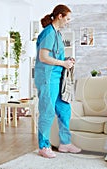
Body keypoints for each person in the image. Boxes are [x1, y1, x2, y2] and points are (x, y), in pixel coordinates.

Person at [34, 4, 81, 158]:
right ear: (59, 16)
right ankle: (43, 146)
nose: (68, 21)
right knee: (47, 112)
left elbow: (56, 57)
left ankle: (65, 143)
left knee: (64, 110)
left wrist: (66, 60)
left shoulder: (58, 34)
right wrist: (63, 63)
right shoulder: (48, 33)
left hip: (58, 78)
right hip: (48, 79)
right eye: (67, 18)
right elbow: (43, 57)